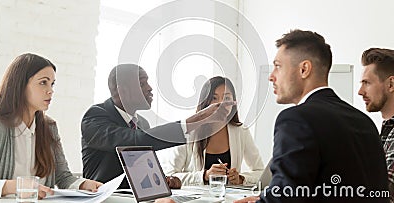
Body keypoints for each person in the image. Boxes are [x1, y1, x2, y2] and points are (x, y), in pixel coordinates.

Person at [233, 30, 389, 203]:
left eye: (278, 66)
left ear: (304, 69)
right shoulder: (364, 121)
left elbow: (285, 199)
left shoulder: (295, 119)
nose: (271, 76)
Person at [81, 64, 234, 189]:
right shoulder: (95, 116)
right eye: (142, 83)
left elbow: (140, 170)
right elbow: (133, 141)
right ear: (122, 91)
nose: (149, 88)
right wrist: (196, 119)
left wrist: (165, 180)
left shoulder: (141, 123)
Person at [0, 53, 102, 199]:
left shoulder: (49, 127)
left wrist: (84, 185)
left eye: (52, 84)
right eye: (43, 82)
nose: (50, 90)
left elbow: (63, 177)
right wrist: (16, 186)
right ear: (20, 85)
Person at [163, 76, 264, 186]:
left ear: (233, 102)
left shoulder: (241, 131)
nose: (220, 104)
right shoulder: (189, 131)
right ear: (205, 102)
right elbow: (169, 176)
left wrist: (241, 178)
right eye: (214, 98)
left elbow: (260, 172)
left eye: (226, 99)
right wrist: (205, 175)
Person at [358, 47, 394, 200]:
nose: (360, 91)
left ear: (391, 84)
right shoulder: (386, 132)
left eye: (367, 83)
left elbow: (384, 194)